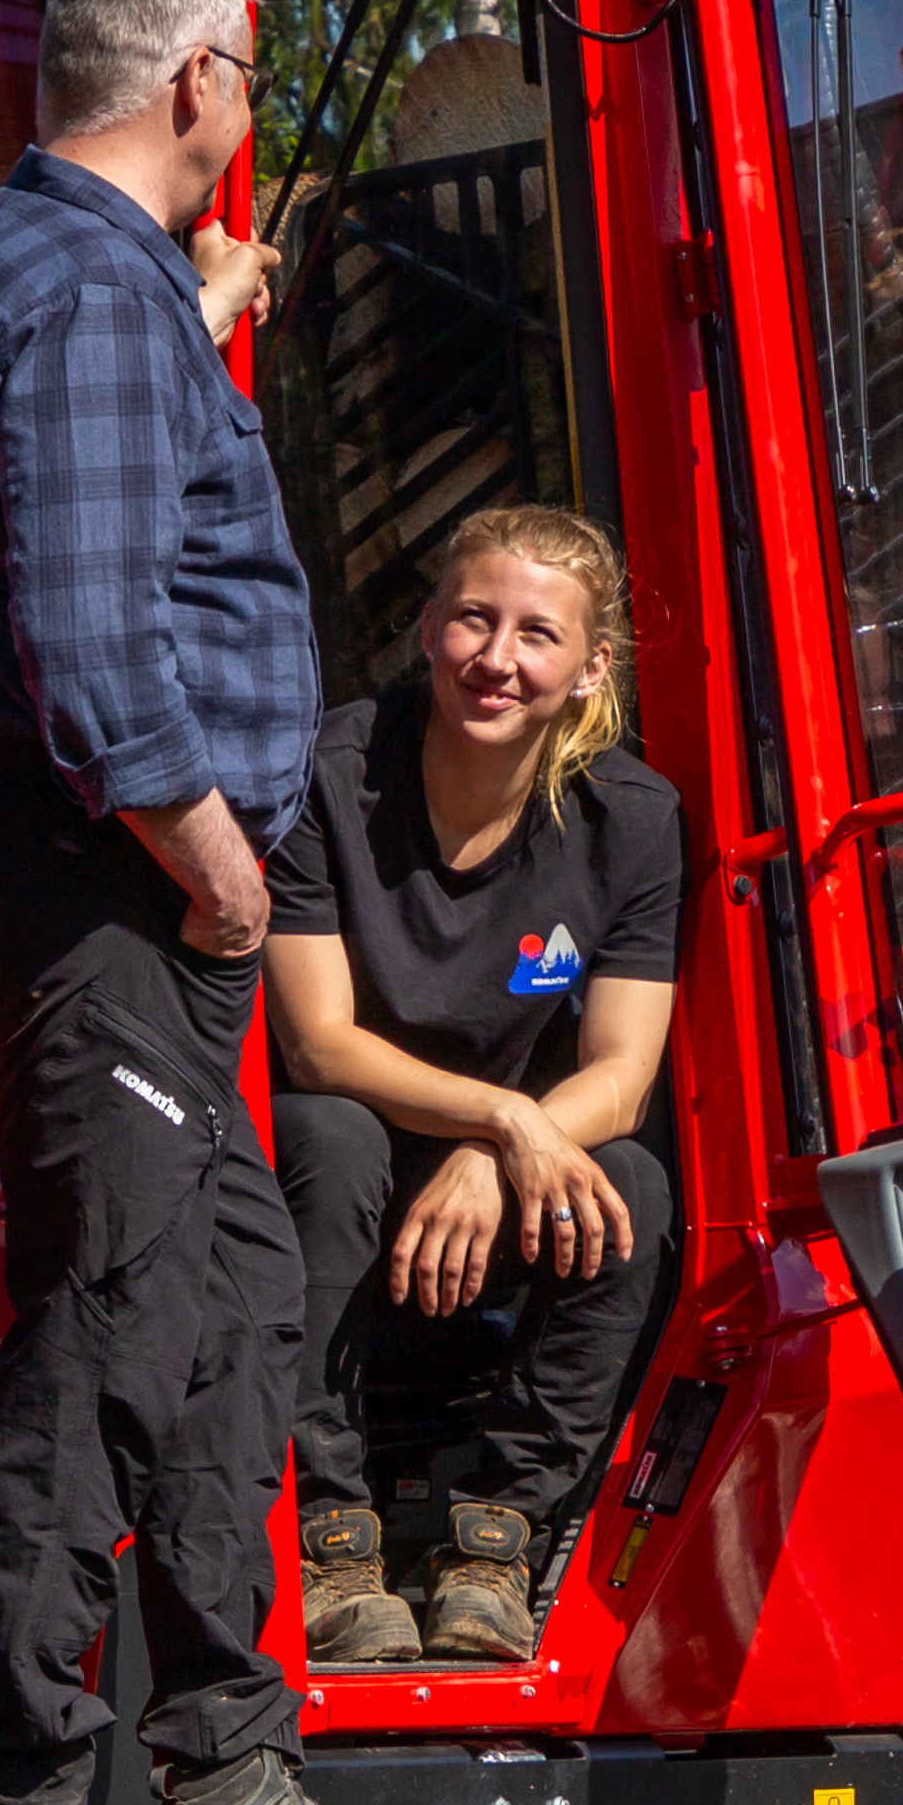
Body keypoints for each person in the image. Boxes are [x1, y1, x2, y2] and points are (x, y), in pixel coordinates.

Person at [0, 0, 432, 1805]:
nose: (248, 109)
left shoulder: (30, 277)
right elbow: (99, 655)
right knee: (116, 1308)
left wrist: (198, 321)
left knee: (239, 1292)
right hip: (96, 859)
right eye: (252, 77)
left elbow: (84, 503)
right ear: (198, 84)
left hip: (54, 849)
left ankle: (231, 1762)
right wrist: (215, 874)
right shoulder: (91, 312)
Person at [262, 507, 683, 1668]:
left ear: (590, 667)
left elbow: (625, 1076)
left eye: (537, 635)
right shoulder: (325, 776)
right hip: (347, 1166)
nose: (497, 659)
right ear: (428, 630)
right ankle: (328, 1542)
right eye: (472, 619)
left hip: (496, 1185)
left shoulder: (632, 821)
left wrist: (507, 1157)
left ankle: (495, 1544)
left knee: (631, 1190)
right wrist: (502, 1120)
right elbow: (318, 1045)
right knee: (328, 1135)